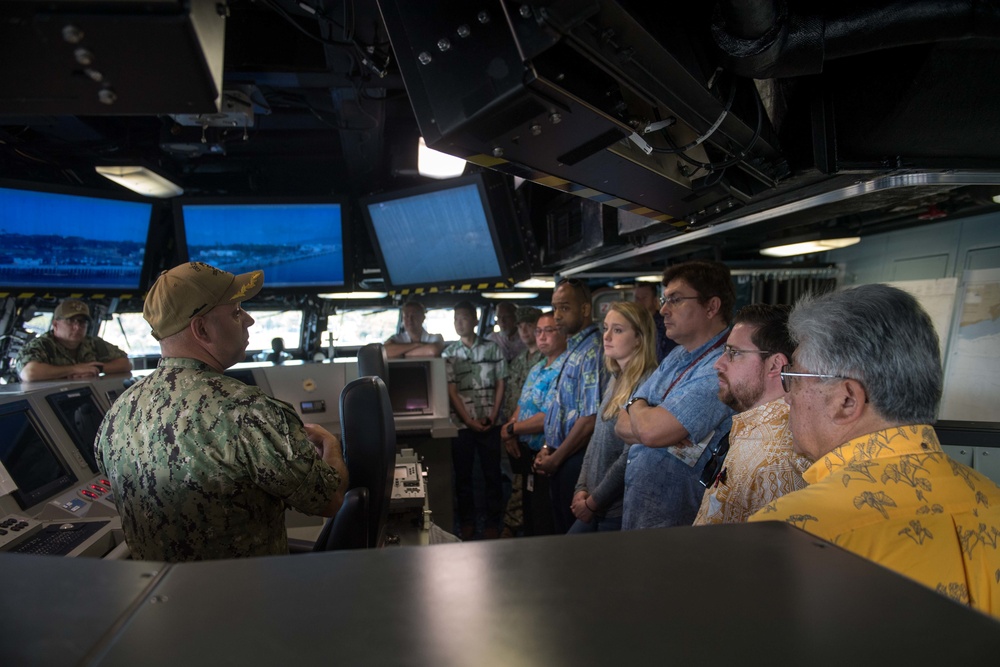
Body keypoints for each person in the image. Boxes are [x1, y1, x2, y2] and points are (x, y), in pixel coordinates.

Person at [750, 284, 1000, 618]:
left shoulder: (788, 530)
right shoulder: (991, 497)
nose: (787, 397)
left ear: (847, 400)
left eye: (792, 378)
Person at [95, 262, 348, 562]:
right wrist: (332, 444)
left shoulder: (117, 414)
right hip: (245, 602)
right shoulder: (246, 411)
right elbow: (330, 501)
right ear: (201, 329)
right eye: (237, 312)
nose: (249, 320)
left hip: (156, 602)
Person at [616, 260, 736, 530]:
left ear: (711, 307)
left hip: (679, 521)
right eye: (664, 299)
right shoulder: (677, 355)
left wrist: (644, 412)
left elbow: (649, 432)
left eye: (675, 300)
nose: (663, 310)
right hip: (642, 513)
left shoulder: (722, 366)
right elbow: (621, 424)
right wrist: (646, 413)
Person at [693, 304, 811, 525]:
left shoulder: (777, 460)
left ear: (775, 364)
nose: (718, 364)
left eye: (734, 353)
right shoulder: (755, 432)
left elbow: (779, 554)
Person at [569, 301, 658, 533]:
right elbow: (596, 440)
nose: (606, 336)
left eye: (617, 330)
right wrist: (581, 487)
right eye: (606, 328)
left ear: (639, 338)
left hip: (615, 509)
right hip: (593, 500)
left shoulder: (648, 384)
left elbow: (629, 458)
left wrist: (592, 501)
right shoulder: (615, 377)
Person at [535, 279, 608, 534]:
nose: (557, 316)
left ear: (586, 309)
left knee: (572, 540)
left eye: (564, 308)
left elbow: (589, 419)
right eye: (555, 308)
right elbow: (561, 409)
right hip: (560, 454)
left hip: (575, 459)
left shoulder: (592, 350)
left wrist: (556, 458)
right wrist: (547, 448)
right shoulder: (572, 349)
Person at [442, 300, 507, 539]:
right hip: (462, 425)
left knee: (492, 474)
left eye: (464, 317)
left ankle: (492, 522)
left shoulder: (492, 349)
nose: (459, 322)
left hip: (490, 421)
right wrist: (468, 421)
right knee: (463, 476)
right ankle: (467, 521)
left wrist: (492, 414)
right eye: (456, 318)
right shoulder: (449, 353)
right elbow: (451, 390)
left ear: (476, 320)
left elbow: (501, 383)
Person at [500, 312, 567, 536]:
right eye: (539, 331)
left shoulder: (565, 369)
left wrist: (511, 429)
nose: (542, 337)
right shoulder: (536, 369)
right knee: (530, 516)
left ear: (563, 334)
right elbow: (521, 405)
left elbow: (548, 416)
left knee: (545, 521)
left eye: (549, 331)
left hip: (549, 455)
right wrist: (510, 430)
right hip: (527, 454)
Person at [498, 306, 543, 536]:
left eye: (529, 325)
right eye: (520, 326)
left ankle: (514, 527)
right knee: (518, 481)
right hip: (515, 432)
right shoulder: (518, 361)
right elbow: (511, 400)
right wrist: (509, 432)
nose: (524, 330)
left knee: (528, 488)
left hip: (537, 436)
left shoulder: (547, 362)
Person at [15, 298, 132, 381]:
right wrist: (75, 370)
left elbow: (125, 364)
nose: (77, 327)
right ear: (55, 324)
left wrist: (95, 369)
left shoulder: (93, 343)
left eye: (82, 322)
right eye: (70, 321)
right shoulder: (41, 345)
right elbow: (29, 373)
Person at [632, 281, 676, 363]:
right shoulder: (632, 324)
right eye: (637, 298)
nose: (640, 302)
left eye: (644, 298)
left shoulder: (665, 324)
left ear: (655, 300)